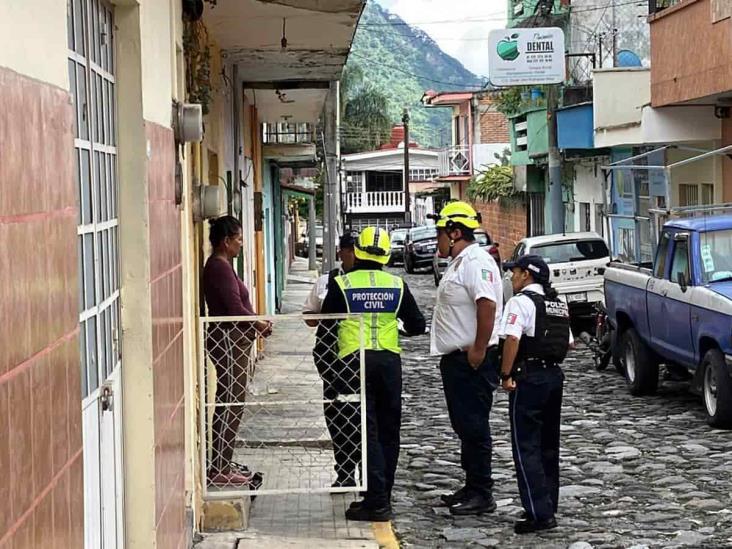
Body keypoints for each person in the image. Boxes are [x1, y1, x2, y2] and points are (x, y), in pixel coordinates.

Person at [320, 226, 425, 521]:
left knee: (365, 432)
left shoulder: (342, 285)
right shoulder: (396, 285)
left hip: (354, 363)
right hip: (389, 363)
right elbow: (417, 324)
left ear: (358, 250)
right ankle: (382, 496)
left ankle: (375, 500)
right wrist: (396, 327)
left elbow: (327, 326)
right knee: (389, 431)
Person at [429, 201, 503, 516]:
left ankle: (482, 492)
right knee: (464, 426)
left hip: (471, 359)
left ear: (455, 232)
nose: (437, 241)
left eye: (440, 234)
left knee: (475, 426)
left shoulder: (476, 261)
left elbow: (487, 306)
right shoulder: (459, 262)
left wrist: (478, 349)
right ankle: (472, 485)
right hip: (457, 360)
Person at [498, 254, 572, 534]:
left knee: (525, 445)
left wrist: (505, 374)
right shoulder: (557, 304)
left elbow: (512, 338)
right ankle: (547, 504)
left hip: (528, 377)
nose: (511, 277)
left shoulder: (520, 302)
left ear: (526, 275)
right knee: (548, 446)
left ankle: (538, 513)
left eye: (514, 272)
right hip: (554, 376)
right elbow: (570, 342)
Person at [203, 215, 272, 486]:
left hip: (235, 340)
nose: (241, 244)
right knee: (229, 401)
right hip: (228, 341)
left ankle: (223, 460)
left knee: (233, 401)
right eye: (239, 239)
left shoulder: (225, 266)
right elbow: (233, 309)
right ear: (226, 241)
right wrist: (258, 323)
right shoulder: (219, 267)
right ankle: (219, 465)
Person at [303, 233, 361, 487]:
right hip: (332, 362)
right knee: (336, 415)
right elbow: (309, 315)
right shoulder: (326, 282)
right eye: (350, 251)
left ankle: (363, 471)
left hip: (360, 360)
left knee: (361, 417)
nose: (354, 256)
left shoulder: (366, 283)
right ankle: (345, 471)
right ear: (342, 253)